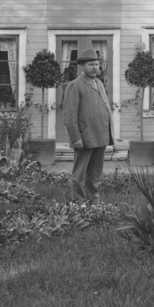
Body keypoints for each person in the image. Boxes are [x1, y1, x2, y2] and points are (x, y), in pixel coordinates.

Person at [62, 47, 115, 204]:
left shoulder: (99, 83)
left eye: (96, 64)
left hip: (101, 135)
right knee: (79, 174)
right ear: (82, 66)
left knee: (95, 174)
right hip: (85, 137)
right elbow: (70, 114)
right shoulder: (75, 85)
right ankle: (78, 203)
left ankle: (94, 201)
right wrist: (76, 137)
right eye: (91, 64)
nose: (95, 67)